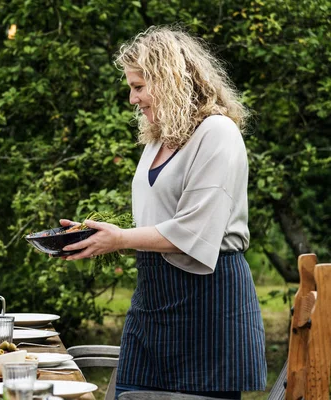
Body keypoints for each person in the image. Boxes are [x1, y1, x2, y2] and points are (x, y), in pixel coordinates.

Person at [60, 26, 266, 399]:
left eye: (139, 86)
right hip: (153, 298)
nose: (132, 98)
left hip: (209, 302)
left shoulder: (217, 133)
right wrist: (95, 235)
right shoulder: (158, 139)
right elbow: (158, 219)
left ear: (170, 79)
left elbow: (194, 232)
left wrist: (119, 239)